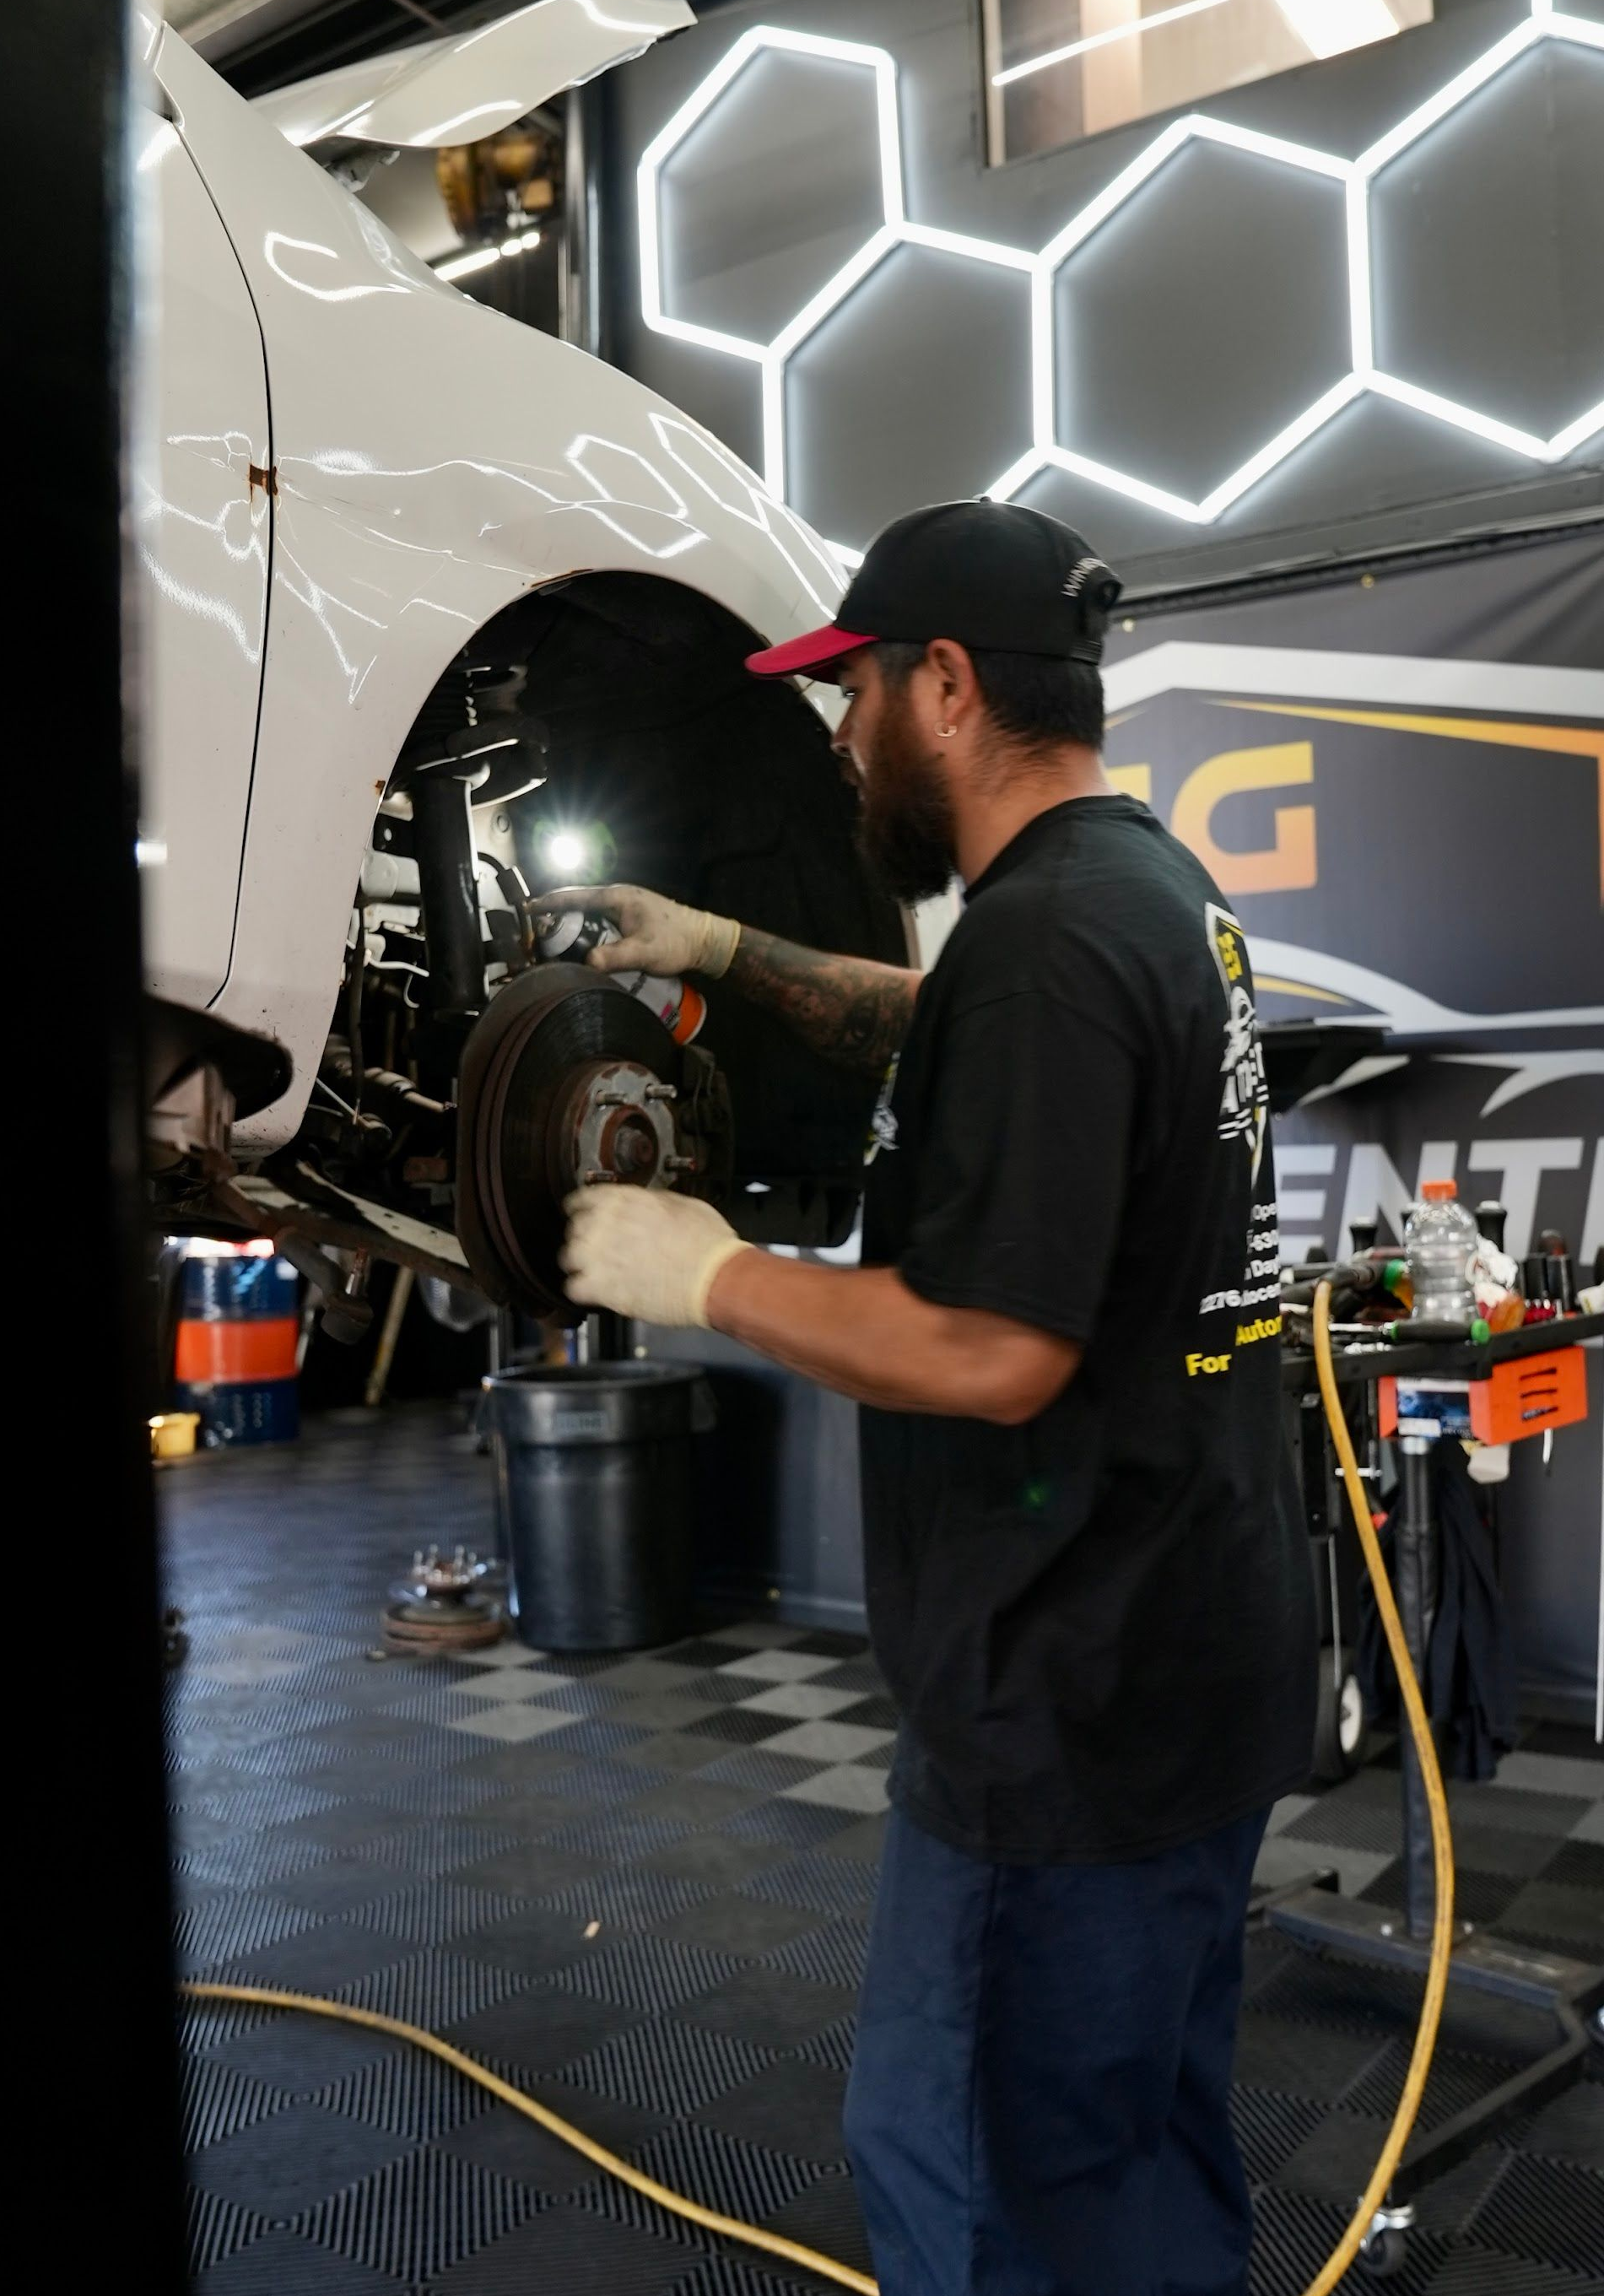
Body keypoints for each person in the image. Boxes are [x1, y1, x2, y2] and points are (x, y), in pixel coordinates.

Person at [545, 500, 1317, 2296]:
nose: (838, 738)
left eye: (858, 695)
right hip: (1190, 1663)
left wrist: (710, 1276)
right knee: (1138, 2164)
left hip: (1069, 1699)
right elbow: (950, 1017)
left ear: (948, 684)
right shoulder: (1141, 895)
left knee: (971, 2173)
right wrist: (729, 950)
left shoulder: (1049, 946)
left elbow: (995, 1351)